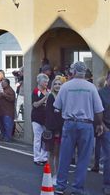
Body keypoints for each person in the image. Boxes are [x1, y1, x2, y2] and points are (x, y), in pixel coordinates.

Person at [53, 61, 104, 195]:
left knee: (65, 156)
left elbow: (56, 107)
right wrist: (99, 124)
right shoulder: (91, 87)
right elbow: (98, 110)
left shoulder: (65, 87)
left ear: (73, 72)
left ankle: (60, 186)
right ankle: (77, 189)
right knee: (83, 158)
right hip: (86, 125)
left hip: (69, 123)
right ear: (85, 72)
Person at [44, 75, 66, 185]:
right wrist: (55, 129)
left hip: (62, 129)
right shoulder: (51, 97)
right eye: (55, 84)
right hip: (53, 129)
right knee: (52, 153)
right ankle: (52, 175)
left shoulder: (64, 96)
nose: (57, 86)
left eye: (59, 84)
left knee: (59, 154)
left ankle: (57, 175)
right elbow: (49, 114)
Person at [32, 73, 49, 166]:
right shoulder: (36, 91)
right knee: (38, 138)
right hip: (37, 118)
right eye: (44, 81)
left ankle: (44, 157)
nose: (46, 83)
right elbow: (35, 104)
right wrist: (45, 98)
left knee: (46, 138)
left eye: (47, 82)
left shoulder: (49, 91)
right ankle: (37, 157)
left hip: (46, 118)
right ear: (39, 81)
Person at [99, 71, 110, 195]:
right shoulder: (101, 93)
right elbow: (97, 111)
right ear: (107, 78)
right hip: (107, 128)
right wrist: (102, 126)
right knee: (108, 158)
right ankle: (107, 184)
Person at [0, 78, 16, 142]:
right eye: (2, 83)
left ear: (7, 83)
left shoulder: (10, 90)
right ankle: (3, 136)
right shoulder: (1, 91)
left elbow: (12, 99)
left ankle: (8, 137)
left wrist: (4, 95)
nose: (2, 84)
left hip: (7, 111)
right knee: (2, 125)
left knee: (7, 125)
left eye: (4, 83)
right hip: (0, 111)